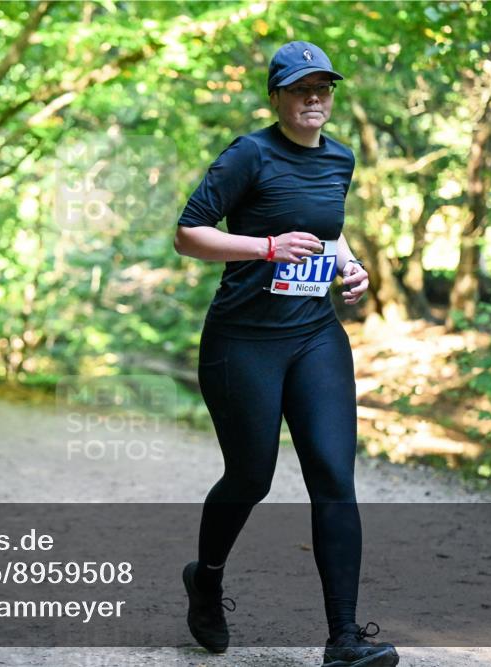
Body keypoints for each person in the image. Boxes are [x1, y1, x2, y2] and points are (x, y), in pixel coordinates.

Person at [174, 41, 399, 667]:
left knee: (334, 478)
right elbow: (188, 235)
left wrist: (349, 266)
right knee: (252, 477)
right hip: (243, 341)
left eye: (324, 88)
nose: (314, 99)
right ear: (276, 97)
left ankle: (345, 640)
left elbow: (329, 229)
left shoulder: (341, 159)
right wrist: (266, 247)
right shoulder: (250, 153)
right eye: (301, 88)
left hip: (314, 336)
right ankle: (207, 581)